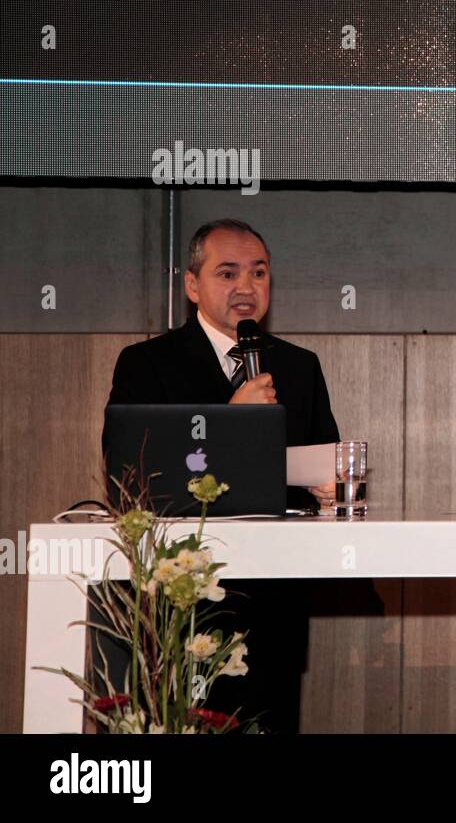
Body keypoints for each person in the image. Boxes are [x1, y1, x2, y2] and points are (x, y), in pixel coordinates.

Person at [101, 218, 339, 732]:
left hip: (275, 600)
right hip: (182, 603)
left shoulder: (299, 367)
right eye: (227, 273)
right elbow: (130, 475)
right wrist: (231, 420)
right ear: (192, 285)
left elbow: (325, 460)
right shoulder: (147, 364)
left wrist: (327, 486)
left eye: (259, 273)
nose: (246, 288)